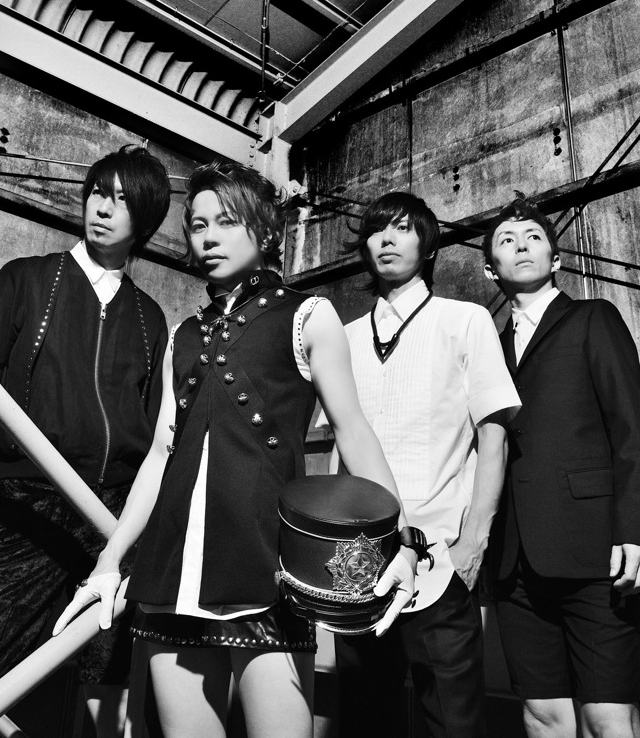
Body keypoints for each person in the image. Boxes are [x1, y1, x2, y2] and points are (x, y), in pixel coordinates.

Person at [54, 160, 420, 738]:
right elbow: (161, 454)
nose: (208, 237)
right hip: (171, 580)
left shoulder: (308, 315)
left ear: (267, 231)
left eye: (226, 221)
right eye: (198, 225)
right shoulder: (182, 334)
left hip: (266, 572)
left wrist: (400, 541)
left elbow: (353, 432)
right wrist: (109, 560)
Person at [322, 191, 521, 738]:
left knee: (455, 724)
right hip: (359, 564)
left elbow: (494, 433)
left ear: (428, 245)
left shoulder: (465, 320)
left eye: (403, 228)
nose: (387, 239)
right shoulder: (342, 338)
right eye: (376, 230)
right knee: (365, 722)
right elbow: (338, 447)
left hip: (441, 558)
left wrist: (473, 541)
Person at [0, 145, 171, 738]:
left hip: (112, 518)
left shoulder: (150, 316)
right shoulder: (25, 280)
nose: (104, 208)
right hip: (30, 503)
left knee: (100, 674)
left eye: (122, 200)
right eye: (98, 192)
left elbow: (156, 432)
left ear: (145, 221)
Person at [483, 197, 640, 738]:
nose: (521, 246)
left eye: (533, 237)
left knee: (609, 717)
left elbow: (633, 430)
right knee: (542, 716)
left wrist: (638, 533)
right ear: (490, 270)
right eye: (507, 240)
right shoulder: (486, 347)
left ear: (555, 259)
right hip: (513, 559)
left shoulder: (593, 318)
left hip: (594, 550)